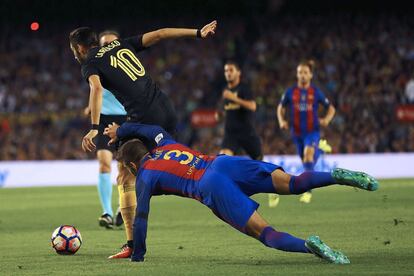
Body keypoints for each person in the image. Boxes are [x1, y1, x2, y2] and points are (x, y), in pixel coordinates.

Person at [103, 122, 378, 264]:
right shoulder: (165, 141)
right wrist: (123, 130)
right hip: (222, 162)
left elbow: (141, 218)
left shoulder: (145, 176)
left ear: (130, 165)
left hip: (209, 185)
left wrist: (138, 254)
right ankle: (337, 176)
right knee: (293, 183)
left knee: (266, 234)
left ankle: (311, 246)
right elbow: (147, 129)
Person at [69, 21, 217, 259]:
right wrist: (198, 33)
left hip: (145, 117)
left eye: (74, 51)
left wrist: (95, 128)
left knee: (126, 173)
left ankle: (132, 243)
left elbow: (95, 89)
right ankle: (208, 182)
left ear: (80, 48)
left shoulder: (90, 63)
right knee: (161, 167)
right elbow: (160, 33)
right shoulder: (121, 44)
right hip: (166, 108)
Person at [83, 30, 133, 230]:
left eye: (112, 43)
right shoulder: (96, 65)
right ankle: (107, 212)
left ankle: (124, 207)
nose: (108, 47)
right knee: (104, 164)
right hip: (104, 119)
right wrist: (90, 108)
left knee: (126, 168)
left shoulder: (126, 64)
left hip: (125, 119)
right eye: (104, 44)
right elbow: (95, 89)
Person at [277, 60, 336, 204]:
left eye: (305, 72)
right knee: (306, 162)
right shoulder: (291, 92)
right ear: (297, 75)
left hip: (312, 131)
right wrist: (281, 121)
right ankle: (320, 150)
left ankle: (308, 191)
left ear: (310, 75)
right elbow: (280, 108)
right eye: (300, 72)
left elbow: (331, 108)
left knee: (308, 157)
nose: (302, 75)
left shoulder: (315, 92)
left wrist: (327, 119)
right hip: (296, 133)